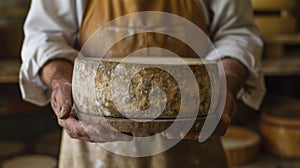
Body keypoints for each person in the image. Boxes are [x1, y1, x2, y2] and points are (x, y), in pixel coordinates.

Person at [20, 0, 265, 167]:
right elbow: (44, 37)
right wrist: (61, 81)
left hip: (193, 134)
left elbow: (237, 33)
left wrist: (224, 84)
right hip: (94, 143)